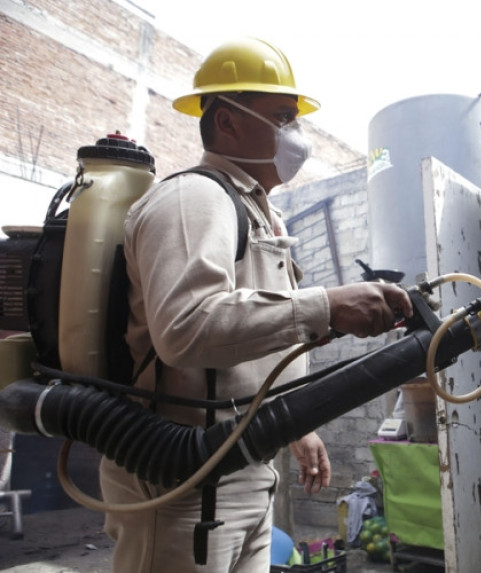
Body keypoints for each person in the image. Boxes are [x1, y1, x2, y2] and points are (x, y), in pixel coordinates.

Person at [98, 36, 412, 572]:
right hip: (182, 479)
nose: (297, 136)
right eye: (284, 117)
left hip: (244, 469)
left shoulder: (255, 210)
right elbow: (186, 328)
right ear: (227, 121)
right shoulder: (194, 197)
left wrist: (294, 426)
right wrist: (327, 307)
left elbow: (250, 335)